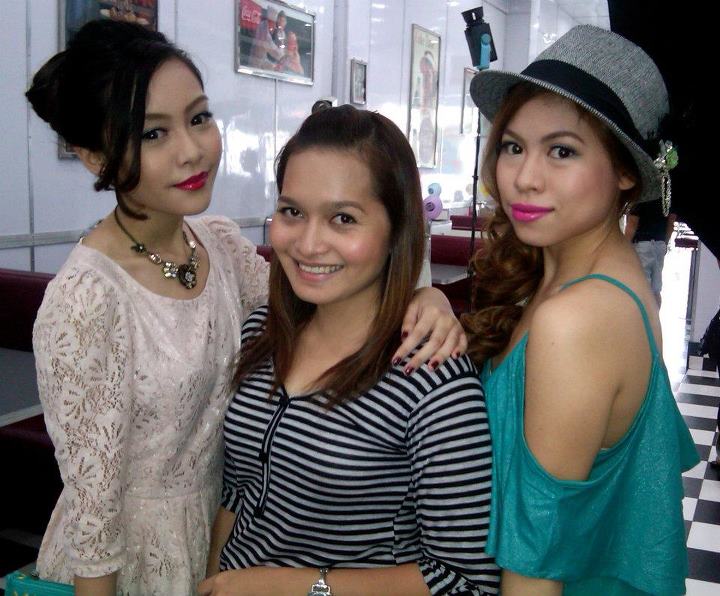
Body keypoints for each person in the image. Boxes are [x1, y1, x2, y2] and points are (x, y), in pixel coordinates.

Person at [26, 20, 464, 596]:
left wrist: (424, 294)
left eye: (198, 118)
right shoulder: (87, 299)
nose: (191, 150)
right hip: (134, 559)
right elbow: (93, 515)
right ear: (92, 155)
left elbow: (324, 292)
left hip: (225, 546)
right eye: (153, 134)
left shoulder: (219, 246)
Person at [200, 106, 500, 596]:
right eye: (292, 212)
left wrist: (295, 586)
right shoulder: (262, 333)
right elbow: (236, 492)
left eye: (343, 218)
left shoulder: (430, 375)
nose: (308, 244)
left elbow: (467, 579)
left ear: (396, 230)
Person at [462, 25, 698, 595]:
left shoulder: (578, 317)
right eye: (514, 146)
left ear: (625, 171)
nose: (525, 178)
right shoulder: (580, 282)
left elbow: (535, 569)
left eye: (562, 151)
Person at [624, 198, 677, 306]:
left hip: (642, 246)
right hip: (660, 245)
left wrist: (625, 248)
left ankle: (641, 315)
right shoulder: (667, 198)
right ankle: (655, 315)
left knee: (641, 287)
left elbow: (632, 224)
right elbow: (671, 224)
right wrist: (665, 243)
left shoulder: (642, 197)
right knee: (656, 290)